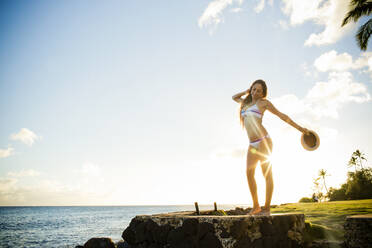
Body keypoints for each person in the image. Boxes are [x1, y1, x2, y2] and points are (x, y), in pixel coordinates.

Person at [232, 79, 310, 215]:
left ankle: (266, 208)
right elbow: (234, 97)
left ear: (263, 93)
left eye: (258, 90)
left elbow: (282, 116)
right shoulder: (245, 103)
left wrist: (300, 129)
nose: (255, 92)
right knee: (249, 174)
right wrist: (246, 91)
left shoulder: (264, 103)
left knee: (266, 174)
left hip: (264, 141)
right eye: (253, 89)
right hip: (252, 144)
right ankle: (256, 206)